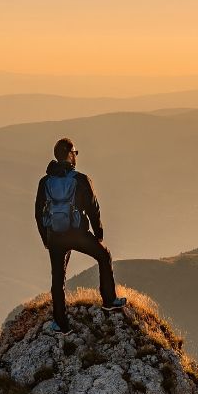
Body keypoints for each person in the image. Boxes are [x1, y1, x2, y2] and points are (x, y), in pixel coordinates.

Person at [35, 137, 126, 333]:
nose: (76, 156)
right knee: (104, 255)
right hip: (77, 234)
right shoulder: (81, 179)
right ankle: (109, 300)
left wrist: (46, 239)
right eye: (75, 152)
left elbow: (37, 212)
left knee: (58, 279)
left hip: (55, 237)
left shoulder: (45, 182)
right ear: (69, 154)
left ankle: (60, 323)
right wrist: (98, 233)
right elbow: (93, 208)